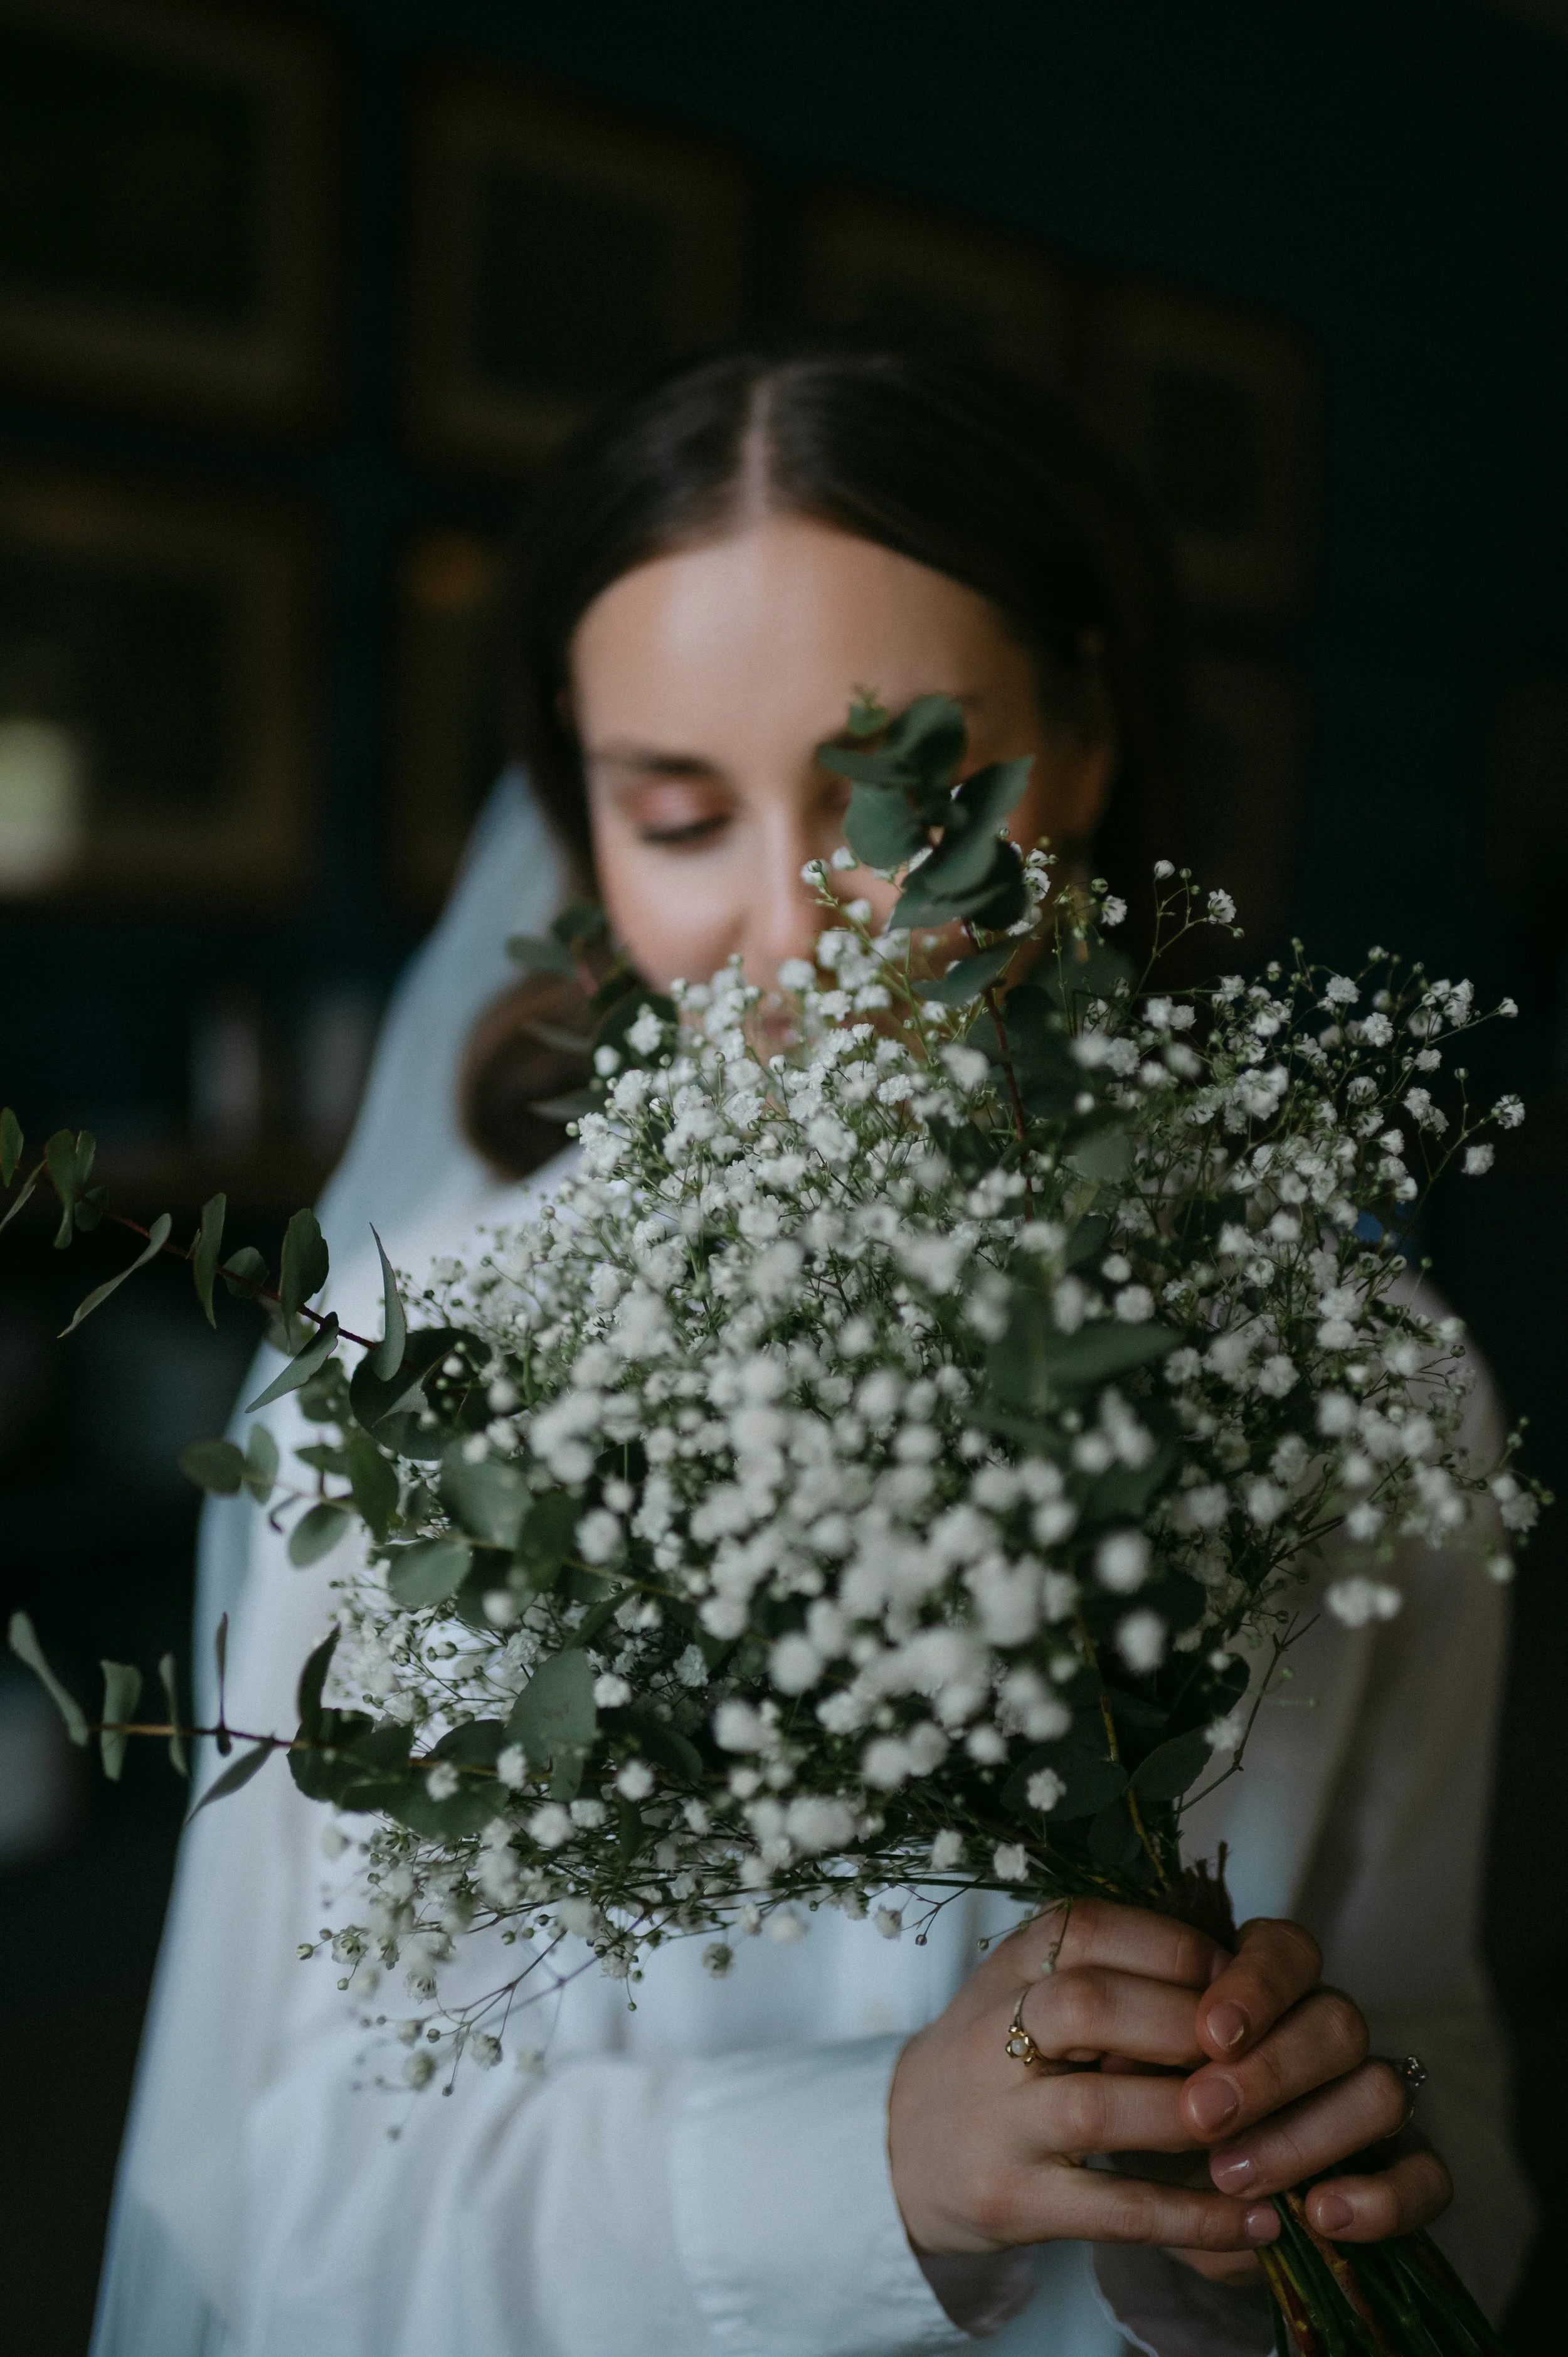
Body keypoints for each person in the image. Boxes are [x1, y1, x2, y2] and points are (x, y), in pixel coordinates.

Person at [92, 341, 1532, 2357]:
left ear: (1087, 747)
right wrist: (875, 2159)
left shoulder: (1356, 1372)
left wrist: (1238, 2225)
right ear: (582, 838)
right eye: (678, 815)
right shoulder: (440, 1384)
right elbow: (300, 2201)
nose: (796, 931)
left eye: (907, 798)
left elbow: (1437, 2047)